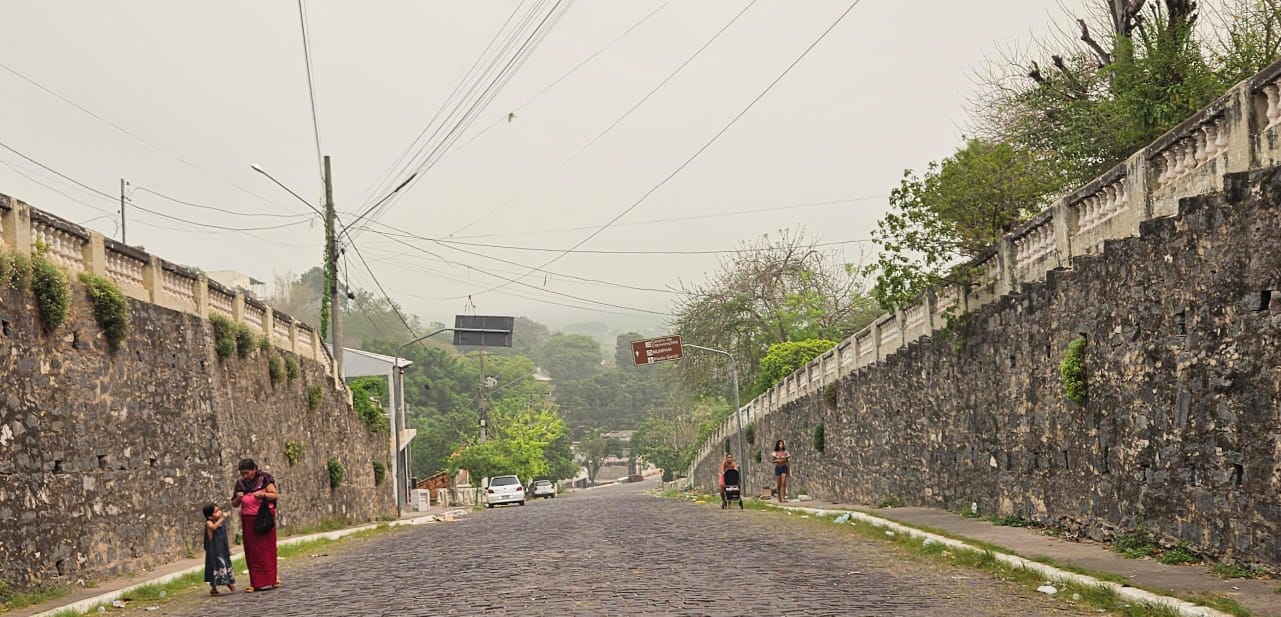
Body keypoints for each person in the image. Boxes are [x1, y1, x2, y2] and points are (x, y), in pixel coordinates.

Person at [232, 458, 279, 592]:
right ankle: (255, 582)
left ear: (254, 470)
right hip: (248, 520)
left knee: (267, 550)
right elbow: (234, 504)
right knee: (253, 552)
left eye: (247, 473)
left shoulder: (265, 478)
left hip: (264, 518)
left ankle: (272, 578)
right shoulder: (240, 484)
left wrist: (263, 495)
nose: (245, 476)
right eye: (242, 473)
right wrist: (239, 498)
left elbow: (275, 495)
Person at [202, 503, 236, 596]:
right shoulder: (209, 523)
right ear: (210, 515)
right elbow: (213, 527)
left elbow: (225, 536)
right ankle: (214, 588)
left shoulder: (222, 523)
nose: (220, 512)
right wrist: (221, 519)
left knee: (225, 564)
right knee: (215, 567)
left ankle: (229, 582)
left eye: (219, 510)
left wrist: (228, 547)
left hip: (222, 548)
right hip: (214, 550)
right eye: (216, 512)